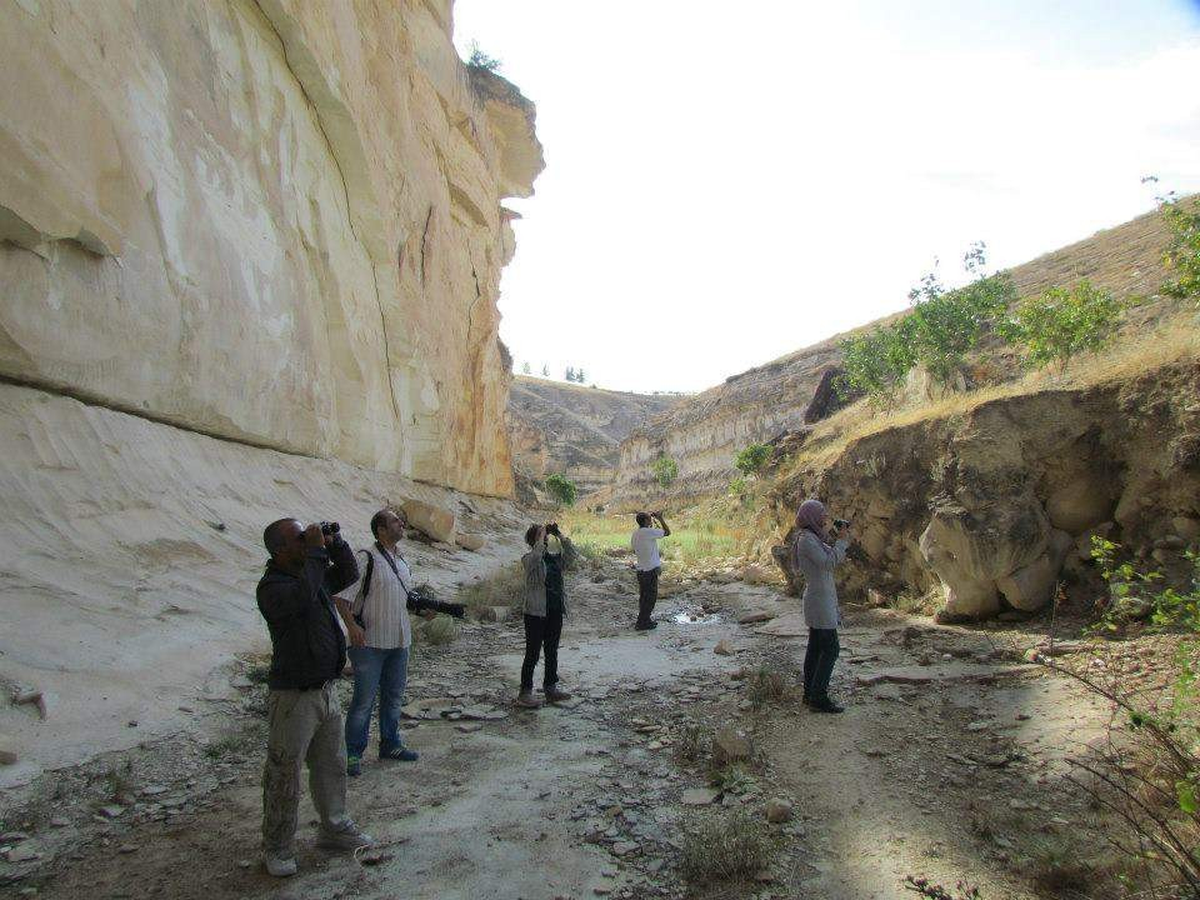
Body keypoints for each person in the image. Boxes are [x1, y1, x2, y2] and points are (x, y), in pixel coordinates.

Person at [256, 518, 373, 878]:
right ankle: (277, 846)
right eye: (300, 539)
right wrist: (318, 552)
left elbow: (350, 573)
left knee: (331, 765)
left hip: (324, 690)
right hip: (294, 696)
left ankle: (334, 828)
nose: (307, 543)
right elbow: (303, 596)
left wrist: (335, 543)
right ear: (280, 549)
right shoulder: (273, 587)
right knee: (284, 773)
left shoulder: (311, 575)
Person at [335, 508, 465, 777]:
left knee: (393, 698)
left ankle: (390, 744)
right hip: (370, 643)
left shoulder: (402, 560)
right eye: (395, 521)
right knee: (363, 702)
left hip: (399, 640)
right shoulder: (366, 558)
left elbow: (401, 597)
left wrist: (421, 611)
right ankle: (353, 753)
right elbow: (342, 597)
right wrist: (352, 627)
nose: (401, 524)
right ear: (381, 529)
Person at [792, 499, 851, 714]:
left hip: (820, 599)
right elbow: (828, 562)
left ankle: (810, 693)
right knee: (830, 649)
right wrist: (841, 542)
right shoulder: (807, 540)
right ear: (812, 517)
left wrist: (837, 536)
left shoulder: (812, 538)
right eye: (822, 514)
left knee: (816, 648)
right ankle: (818, 696)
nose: (825, 517)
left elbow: (828, 555)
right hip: (819, 601)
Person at [517, 522, 577, 708]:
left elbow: (572, 554)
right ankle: (525, 692)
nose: (544, 539)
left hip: (555, 611)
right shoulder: (528, 559)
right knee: (532, 653)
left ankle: (550, 688)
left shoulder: (554, 559)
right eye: (540, 536)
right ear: (533, 540)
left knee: (552, 651)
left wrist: (559, 534)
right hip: (535, 613)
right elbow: (536, 556)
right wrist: (540, 539)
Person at [630, 511, 670, 630]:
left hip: (641, 569)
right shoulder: (648, 532)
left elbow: (635, 550)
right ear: (646, 521)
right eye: (649, 519)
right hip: (650, 569)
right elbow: (667, 532)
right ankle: (642, 622)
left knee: (644, 597)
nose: (651, 520)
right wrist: (660, 519)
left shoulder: (635, 534)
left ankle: (644, 620)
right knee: (651, 598)